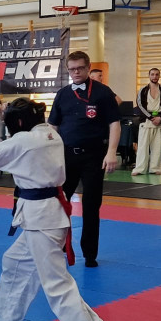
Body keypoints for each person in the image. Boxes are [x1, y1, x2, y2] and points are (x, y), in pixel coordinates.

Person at [0, 98, 114, 321]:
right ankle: (2, 317)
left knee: (57, 286)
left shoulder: (25, 140)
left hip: (42, 220)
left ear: (18, 122)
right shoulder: (51, 135)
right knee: (14, 261)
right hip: (46, 216)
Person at [48, 51, 120, 268]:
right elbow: (52, 126)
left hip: (94, 156)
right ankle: (60, 244)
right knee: (59, 202)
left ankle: (89, 253)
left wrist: (111, 152)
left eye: (80, 68)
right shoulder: (62, 94)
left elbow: (114, 123)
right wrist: (48, 153)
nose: (76, 72)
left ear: (88, 68)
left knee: (91, 205)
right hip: (66, 155)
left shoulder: (102, 92)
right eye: (72, 69)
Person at [132, 68, 161, 176]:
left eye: (157, 74)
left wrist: (160, 118)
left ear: (159, 76)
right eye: (152, 74)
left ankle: (155, 168)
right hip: (146, 120)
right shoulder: (143, 90)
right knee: (142, 146)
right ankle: (140, 168)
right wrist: (150, 117)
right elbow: (140, 105)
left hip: (159, 120)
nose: (154, 77)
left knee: (157, 146)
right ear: (149, 76)